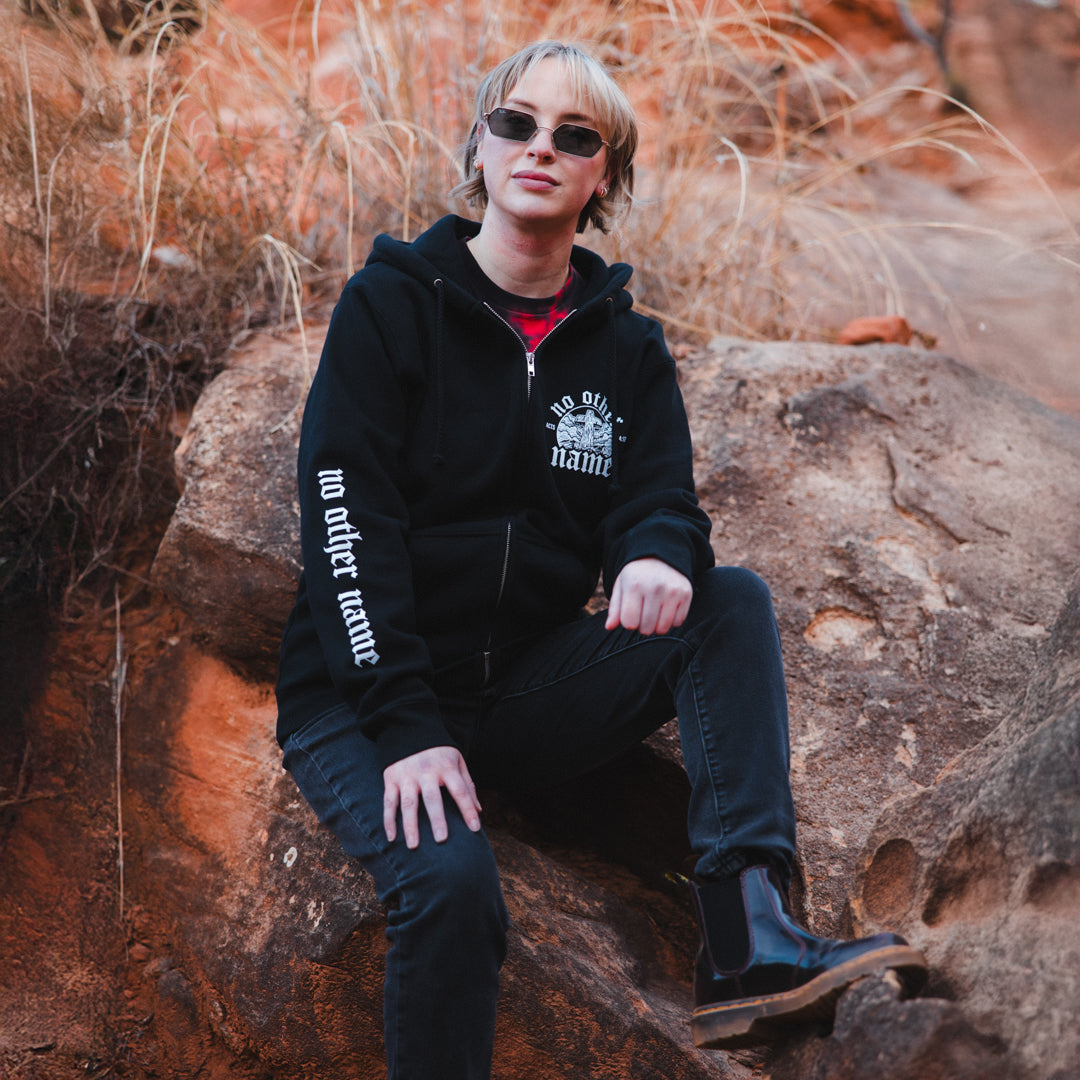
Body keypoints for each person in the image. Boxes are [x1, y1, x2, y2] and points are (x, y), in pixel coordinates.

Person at [274, 40, 926, 1078]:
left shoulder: (626, 348)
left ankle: (749, 939)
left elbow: (660, 494)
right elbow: (345, 519)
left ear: (604, 176)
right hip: (361, 706)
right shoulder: (391, 306)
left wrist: (657, 552)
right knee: (450, 891)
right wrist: (404, 725)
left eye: (574, 136)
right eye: (516, 124)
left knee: (728, 602)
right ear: (479, 147)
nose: (540, 148)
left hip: (521, 697)